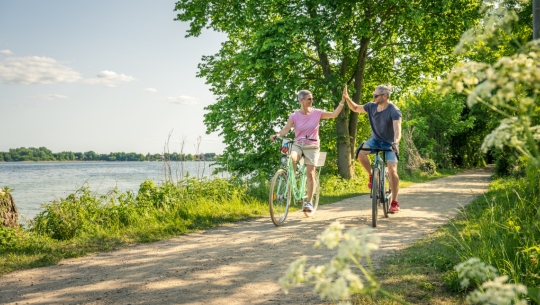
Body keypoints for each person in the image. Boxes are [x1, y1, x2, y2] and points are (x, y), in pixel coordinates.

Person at [270, 89, 344, 213]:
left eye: (312, 98)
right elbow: (286, 130)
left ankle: (309, 202)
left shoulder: (317, 113)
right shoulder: (294, 116)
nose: (312, 101)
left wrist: (342, 102)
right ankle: (291, 179)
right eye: (309, 99)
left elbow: (334, 114)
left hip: (312, 146)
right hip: (298, 144)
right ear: (301, 100)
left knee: (310, 174)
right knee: (291, 157)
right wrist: (276, 135)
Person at [343, 84, 402, 213]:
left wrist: (396, 143)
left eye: (376, 95)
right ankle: (371, 175)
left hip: (390, 143)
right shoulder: (371, 106)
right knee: (360, 153)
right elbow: (355, 108)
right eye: (373, 95)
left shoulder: (394, 110)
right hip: (375, 140)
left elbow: (397, 130)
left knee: (392, 171)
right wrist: (347, 98)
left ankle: (395, 202)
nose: (373, 97)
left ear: (385, 96)